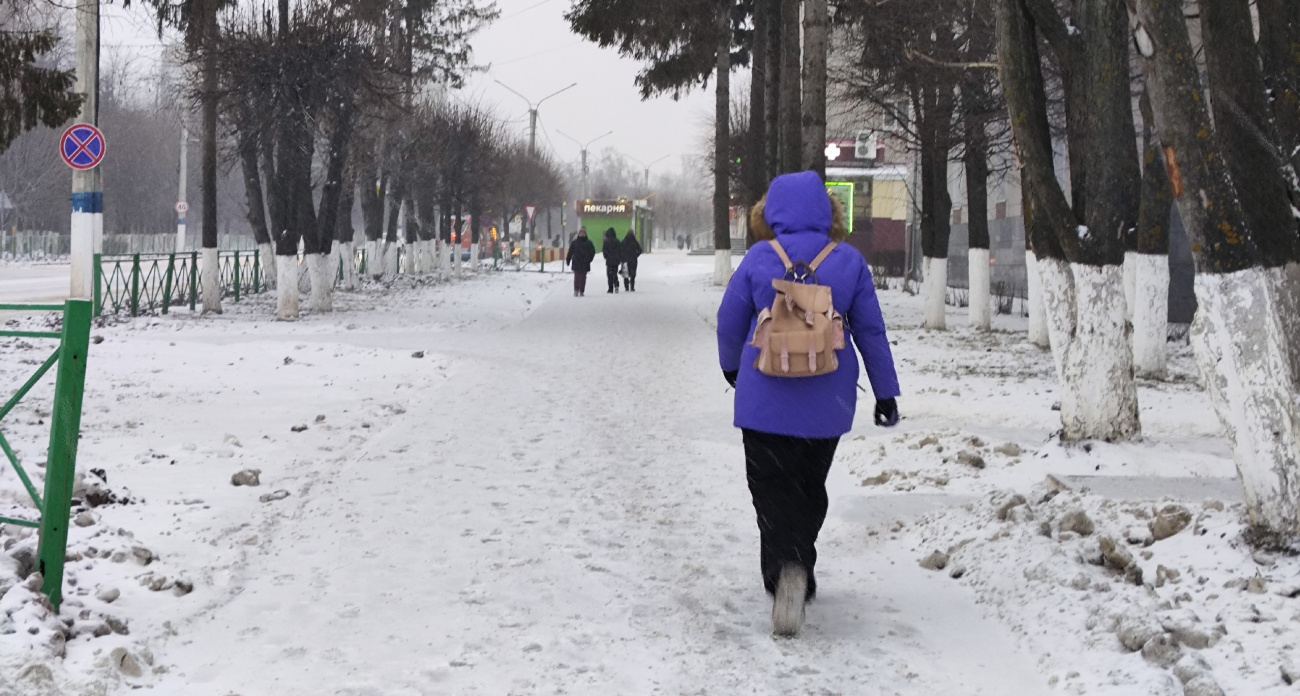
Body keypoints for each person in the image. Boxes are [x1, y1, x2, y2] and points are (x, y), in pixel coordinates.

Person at [716, 171, 900, 637]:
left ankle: (781, 569)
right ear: (829, 213)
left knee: (770, 486)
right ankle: (798, 561)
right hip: (827, 402)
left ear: (769, 214)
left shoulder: (760, 258)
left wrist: (732, 369)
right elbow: (871, 332)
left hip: (764, 401)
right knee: (807, 485)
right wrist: (885, 392)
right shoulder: (849, 262)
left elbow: (728, 320)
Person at [565, 227, 596, 297]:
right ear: (578, 234)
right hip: (576, 261)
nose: (581, 234)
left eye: (583, 233)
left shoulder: (588, 243)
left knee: (583, 277)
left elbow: (592, 252)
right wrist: (568, 260)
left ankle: (581, 290)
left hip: (585, 262)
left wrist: (589, 259)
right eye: (580, 233)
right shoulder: (575, 242)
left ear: (585, 234)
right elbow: (571, 252)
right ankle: (576, 290)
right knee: (577, 277)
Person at [601, 228, 622, 294]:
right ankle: (616, 284)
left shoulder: (606, 241)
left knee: (609, 274)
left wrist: (606, 256)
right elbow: (620, 251)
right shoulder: (617, 241)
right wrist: (619, 258)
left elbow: (604, 250)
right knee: (615, 273)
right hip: (616, 260)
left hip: (609, 260)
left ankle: (610, 288)